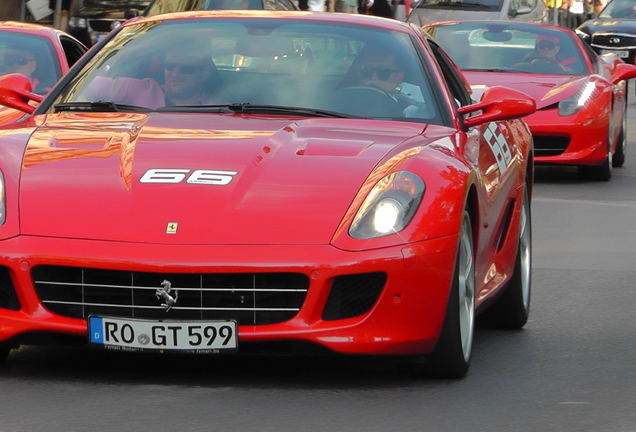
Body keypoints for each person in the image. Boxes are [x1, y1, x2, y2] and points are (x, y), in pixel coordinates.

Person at [162, 45, 227, 106]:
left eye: (186, 68)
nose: (175, 74)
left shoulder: (223, 112)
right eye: (169, 65)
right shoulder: (152, 92)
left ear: (204, 73)